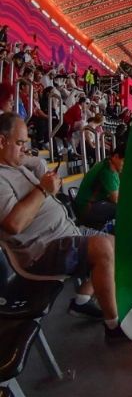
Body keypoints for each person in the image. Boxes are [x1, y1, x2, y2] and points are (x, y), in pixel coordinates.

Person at [0, 113, 123, 341]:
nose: (25, 149)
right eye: (19, 143)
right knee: (103, 247)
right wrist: (43, 189)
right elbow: (13, 224)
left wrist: (31, 161)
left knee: (117, 245)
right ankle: (113, 327)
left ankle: (82, 300)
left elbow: (33, 161)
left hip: (65, 235)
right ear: (1, 141)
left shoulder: (16, 165)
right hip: (42, 250)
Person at [73, 145, 123, 230]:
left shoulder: (108, 162)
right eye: (124, 161)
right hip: (86, 209)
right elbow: (116, 200)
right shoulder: (107, 171)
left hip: (89, 204)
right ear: (116, 156)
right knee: (123, 209)